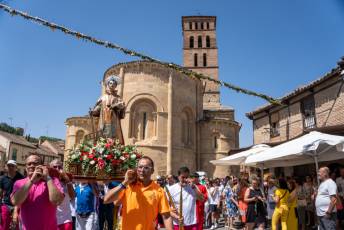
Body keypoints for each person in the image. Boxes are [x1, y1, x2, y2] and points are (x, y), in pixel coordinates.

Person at [104, 156, 173, 230]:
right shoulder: (128, 186)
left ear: (152, 171)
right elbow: (107, 200)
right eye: (140, 167)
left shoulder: (159, 190)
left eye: (146, 168)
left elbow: (166, 216)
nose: (142, 170)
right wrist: (125, 182)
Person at [11, 154, 64, 230]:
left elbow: (57, 201)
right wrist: (31, 180)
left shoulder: (53, 180)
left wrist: (48, 178)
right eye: (29, 164)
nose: (31, 166)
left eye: (35, 163)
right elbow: (15, 201)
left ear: (42, 166)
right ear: (26, 168)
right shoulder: (19, 183)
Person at [91, 75, 125, 142]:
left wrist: (117, 105)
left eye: (114, 84)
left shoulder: (118, 98)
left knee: (113, 135)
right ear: (108, 84)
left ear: (116, 86)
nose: (112, 85)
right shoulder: (102, 97)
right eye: (111, 83)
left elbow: (122, 108)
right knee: (102, 134)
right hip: (103, 119)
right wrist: (93, 111)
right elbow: (97, 109)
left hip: (113, 119)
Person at [50, 159, 75, 230]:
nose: (57, 169)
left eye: (59, 167)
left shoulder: (66, 181)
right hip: (50, 220)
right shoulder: (47, 181)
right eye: (55, 167)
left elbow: (72, 196)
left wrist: (67, 181)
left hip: (65, 220)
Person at [0, 160, 24, 230]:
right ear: (6, 167)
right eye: (8, 166)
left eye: (12, 166)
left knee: (16, 227)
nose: (10, 167)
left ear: (16, 167)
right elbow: (0, 193)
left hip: (18, 205)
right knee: (3, 226)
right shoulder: (2, 178)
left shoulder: (21, 178)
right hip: (6, 205)